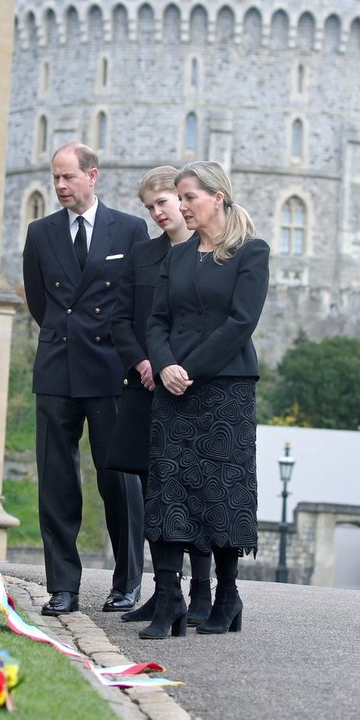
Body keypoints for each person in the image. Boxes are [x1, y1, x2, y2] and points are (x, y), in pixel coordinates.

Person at [141, 160, 269, 639]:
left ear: (217, 197)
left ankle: (228, 594)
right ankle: (170, 597)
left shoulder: (251, 253)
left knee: (221, 489)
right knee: (170, 486)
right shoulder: (177, 256)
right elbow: (156, 321)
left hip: (225, 388)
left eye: (189, 196)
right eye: (180, 197)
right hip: (174, 386)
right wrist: (165, 364)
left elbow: (241, 323)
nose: (182, 206)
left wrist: (187, 370)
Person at [22, 142, 149, 616]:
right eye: (55, 178)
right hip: (57, 367)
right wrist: (64, 335)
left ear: (92, 176)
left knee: (119, 480)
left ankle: (128, 582)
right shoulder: (40, 233)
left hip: (112, 370)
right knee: (56, 479)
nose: (59, 187)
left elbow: (139, 303)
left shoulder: (130, 230)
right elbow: (39, 302)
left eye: (68, 178)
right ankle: (63, 586)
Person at [108, 166, 213, 626]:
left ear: (183, 200)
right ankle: (164, 590)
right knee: (153, 491)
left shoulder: (209, 251)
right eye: (149, 207)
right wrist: (144, 361)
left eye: (164, 203)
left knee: (196, 489)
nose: (157, 213)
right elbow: (119, 319)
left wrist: (175, 364)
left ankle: (202, 591)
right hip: (146, 385)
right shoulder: (142, 256)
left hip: (190, 385)